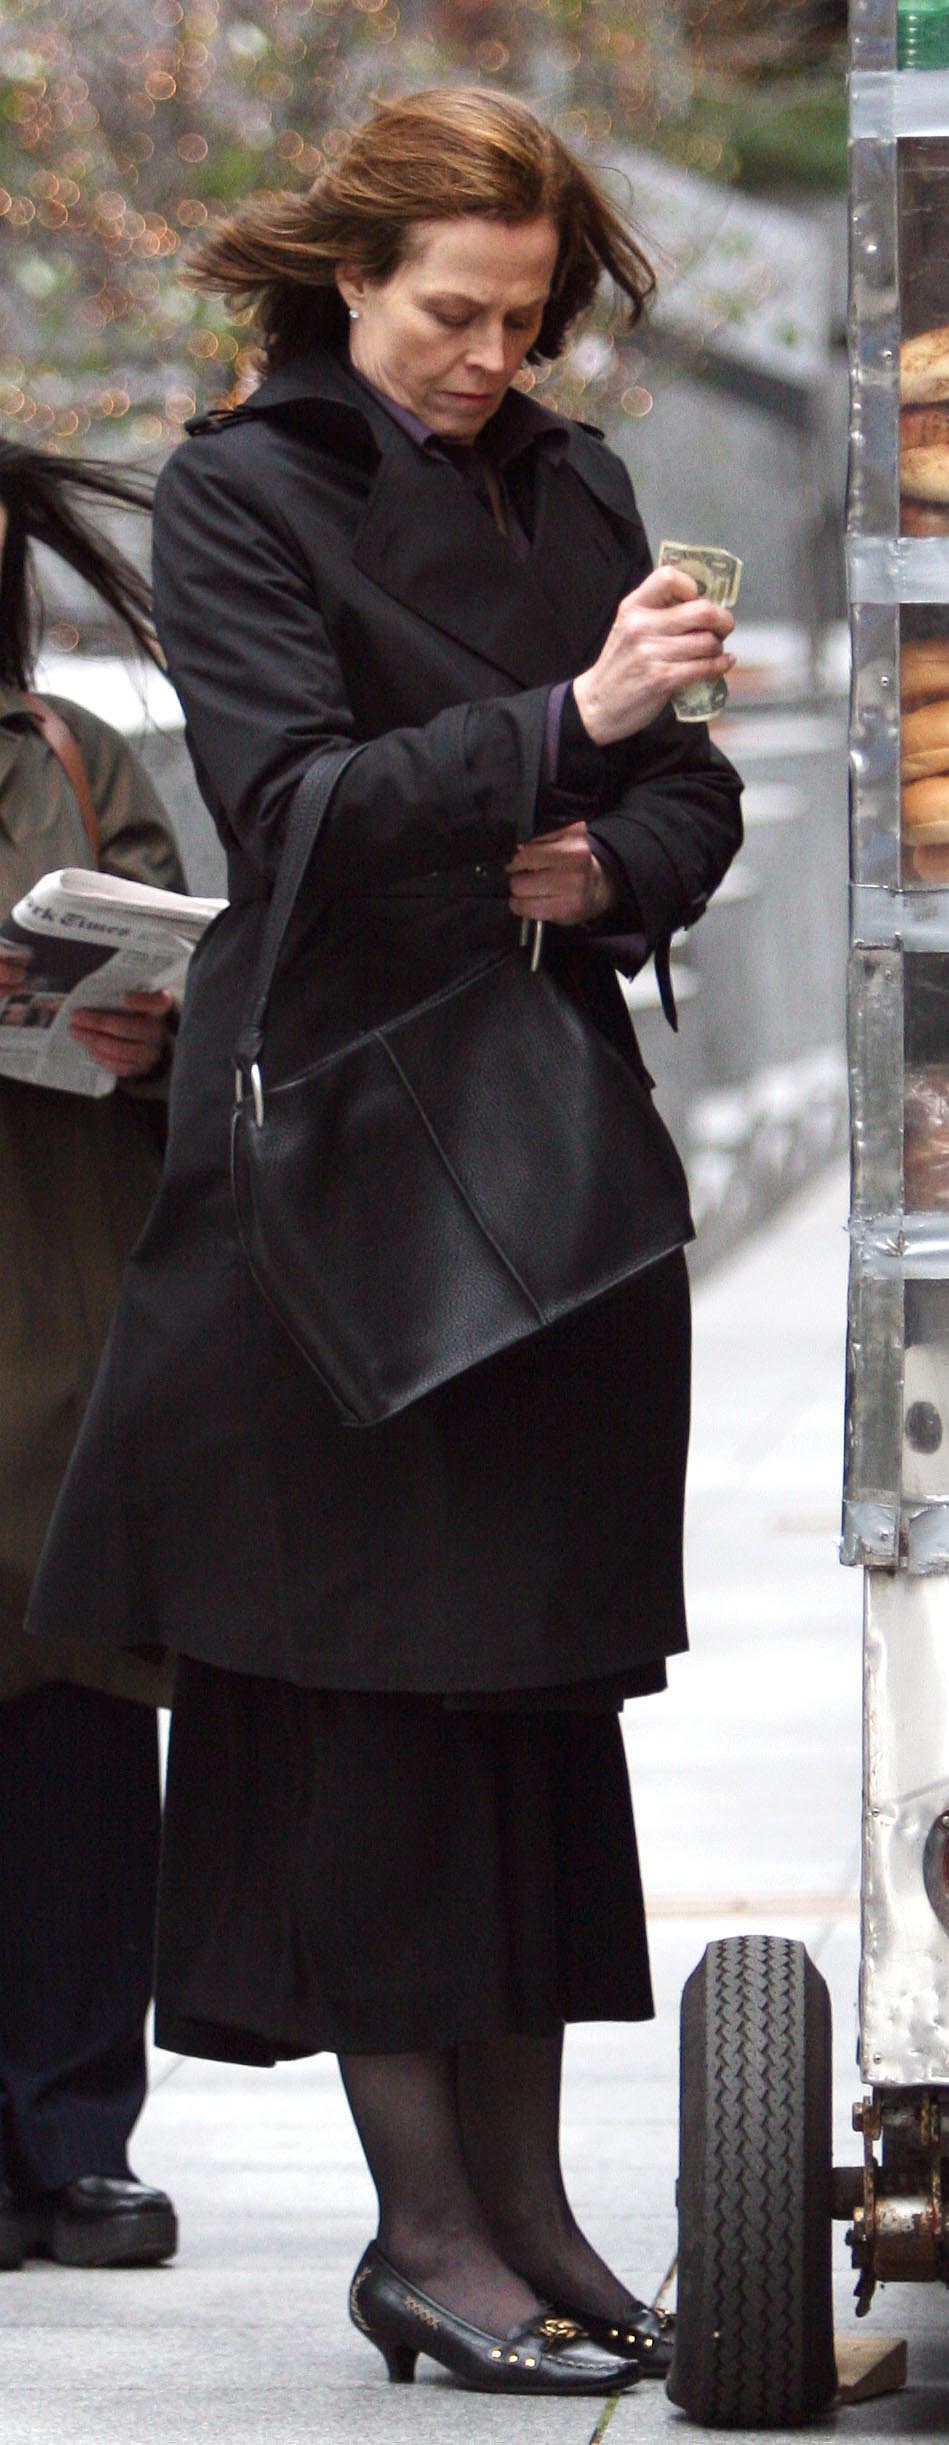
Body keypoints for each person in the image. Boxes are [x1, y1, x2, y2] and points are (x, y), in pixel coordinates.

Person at [26, 87, 743, 2397]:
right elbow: (297, 808)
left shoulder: (578, 476)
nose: (488, 356)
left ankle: (532, 2222)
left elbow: (693, 792)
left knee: (525, 1709)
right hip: (336, 1174)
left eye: (527, 318)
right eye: (454, 311)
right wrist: (565, 722)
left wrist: (611, 846)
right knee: (375, 1714)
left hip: (549, 1156)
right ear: (349, 279)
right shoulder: (248, 491)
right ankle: (427, 2233)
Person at [0, 441, 183, 2273]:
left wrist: (143, 1021)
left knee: (68, 1739)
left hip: (56, 1305)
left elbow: (181, 952)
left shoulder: (73, 756)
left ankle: (76, 2135)